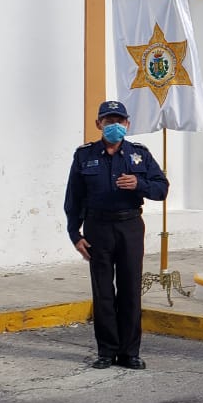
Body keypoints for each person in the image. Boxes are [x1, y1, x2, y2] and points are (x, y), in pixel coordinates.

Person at [64, 99, 169, 370]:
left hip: (129, 227)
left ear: (127, 124)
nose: (114, 126)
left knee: (131, 290)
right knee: (103, 292)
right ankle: (106, 351)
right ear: (98, 124)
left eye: (119, 121)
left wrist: (139, 184)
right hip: (97, 228)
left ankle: (130, 352)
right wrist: (75, 234)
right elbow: (73, 199)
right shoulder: (85, 155)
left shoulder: (139, 154)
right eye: (108, 121)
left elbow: (161, 188)